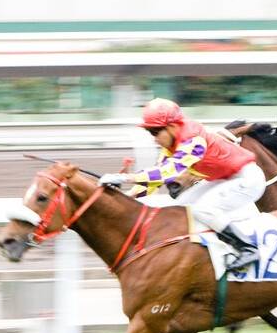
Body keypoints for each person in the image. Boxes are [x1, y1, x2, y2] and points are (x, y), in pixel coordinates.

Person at [98, 98, 265, 270]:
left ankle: (248, 248)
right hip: (225, 179)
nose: (154, 139)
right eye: (150, 133)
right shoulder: (171, 145)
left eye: (155, 132)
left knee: (203, 209)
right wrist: (125, 197)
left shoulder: (194, 140)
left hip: (247, 179)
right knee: (182, 204)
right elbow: (155, 180)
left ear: (172, 126)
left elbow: (168, 171)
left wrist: (125, 178)